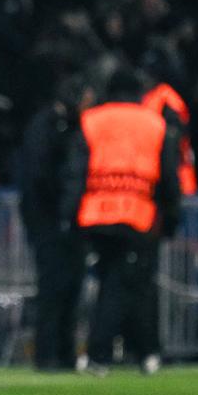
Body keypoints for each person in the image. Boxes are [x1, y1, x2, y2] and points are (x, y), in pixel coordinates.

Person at [64, 68, 181, 376]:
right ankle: (131, 353)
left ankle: (128, 352)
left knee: (112, 284)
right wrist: (171, 217)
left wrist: (69, 215)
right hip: (138, 216)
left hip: (96, 215)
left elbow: (75, 173)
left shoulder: (92, 120)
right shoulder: (155, 124)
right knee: (130, 286)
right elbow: (169, 177)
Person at [19, 74, 92, 371]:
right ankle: (48, 354)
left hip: (62, 218)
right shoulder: (48, 127)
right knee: (54, 288)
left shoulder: (59, 126)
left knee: (70, 287)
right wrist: (61, 212)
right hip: (49, 219)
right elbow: (41, 176)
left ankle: (63, 353)